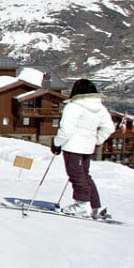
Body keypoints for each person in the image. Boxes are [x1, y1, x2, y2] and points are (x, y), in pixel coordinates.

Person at [52, 78, 116, 220]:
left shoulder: (73, 107)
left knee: (77, 176)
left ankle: (81, 206)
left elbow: (66, 130)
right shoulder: (100, 108)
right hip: (88, 148)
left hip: (73, 147)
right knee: (85, 175)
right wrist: (96, 140)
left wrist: (57, 143)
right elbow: (109, 128)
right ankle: (94, 206)